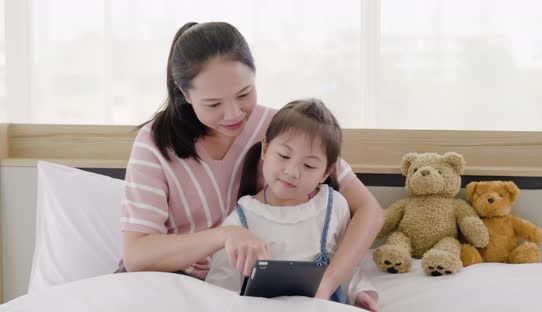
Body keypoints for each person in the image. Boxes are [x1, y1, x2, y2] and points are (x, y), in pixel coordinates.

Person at [119, 21, 384, 300]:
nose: (233, 114)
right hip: (171, 287)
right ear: (185, 94)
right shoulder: (155, 143)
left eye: (244, 93)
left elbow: (369, 211)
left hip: (251, 294)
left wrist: (329, 283)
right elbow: (137, 255)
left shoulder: (281, 132)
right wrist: (224, 235)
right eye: (213, 104)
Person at [206, 98, 379, 311]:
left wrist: (358, 292)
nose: (292, 172)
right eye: (284, 155)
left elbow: (345, 264)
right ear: (265, 149)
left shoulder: (334, 206)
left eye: (309, 165)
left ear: (326, 172)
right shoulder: (241, 221)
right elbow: (221, 289)